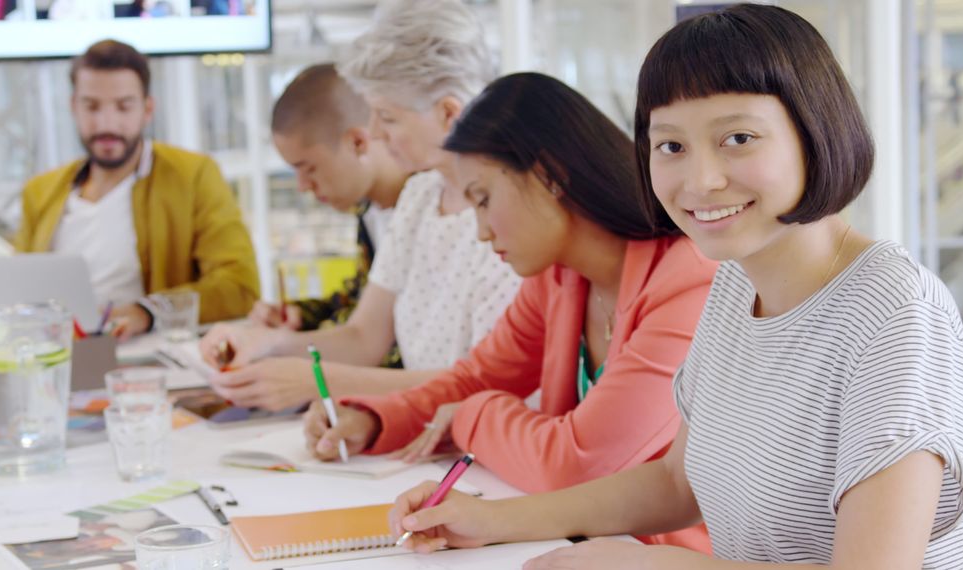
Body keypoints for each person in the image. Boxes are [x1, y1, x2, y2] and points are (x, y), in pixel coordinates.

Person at [383, 5, 963, 569]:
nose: (700, 180)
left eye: (738, 138)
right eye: (670, 146)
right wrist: (493, 521)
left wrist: (662, 564)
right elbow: (676, 481)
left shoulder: (896, 312)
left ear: (814, 131)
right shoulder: (733, 288)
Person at [303, 72, 716, 552]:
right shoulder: (559, 277)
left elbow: (575, 461)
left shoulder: (689, 280)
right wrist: (374, 420)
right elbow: (476, 377)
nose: (480, 230)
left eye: (483, 199)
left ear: (549, 175)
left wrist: (472, 416)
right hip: (577, 545)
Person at [198, 0, 521, 407]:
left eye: (386, 117)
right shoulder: (421, 197)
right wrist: (265, 345)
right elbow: (363, 337)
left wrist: (318, 381)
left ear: (448, 114)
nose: (374, 134)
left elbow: (485, 384)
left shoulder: (509, 220)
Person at [15, 40, 260, 340]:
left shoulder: (193, 177)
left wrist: (149, 311)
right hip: (59, 358)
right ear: (73, 107)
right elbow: (20, 292)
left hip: (149, 358)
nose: (106, 123)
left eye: (123, 106)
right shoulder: (41, 192)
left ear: (147, 109)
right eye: (91, 106)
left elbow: (239, 286)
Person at [247, 63, 409, 369]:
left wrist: (280, 348)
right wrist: (300, 317)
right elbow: (358, 302)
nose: (302, 186)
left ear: (358, 142)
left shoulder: (427, 211)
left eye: (309, 168)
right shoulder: (369, 209)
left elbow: (382, 341)